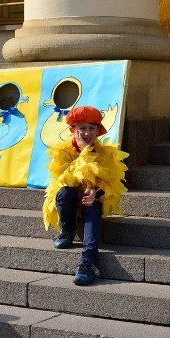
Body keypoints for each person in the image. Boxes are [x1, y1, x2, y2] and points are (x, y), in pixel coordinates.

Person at [42, 106, 129, 286]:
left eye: (91, 128)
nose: (87, 133)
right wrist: (83, 153)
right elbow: (66, 180)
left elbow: (111, 181)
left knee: (93, 204)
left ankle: (88, 261)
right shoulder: (63, 152)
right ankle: (67, 230)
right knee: (65, 193)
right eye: (82, 128)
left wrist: (95, 191)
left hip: (90, 203)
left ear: (98, 131)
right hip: (69, 200)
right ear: (73, 130)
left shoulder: (105, 153)